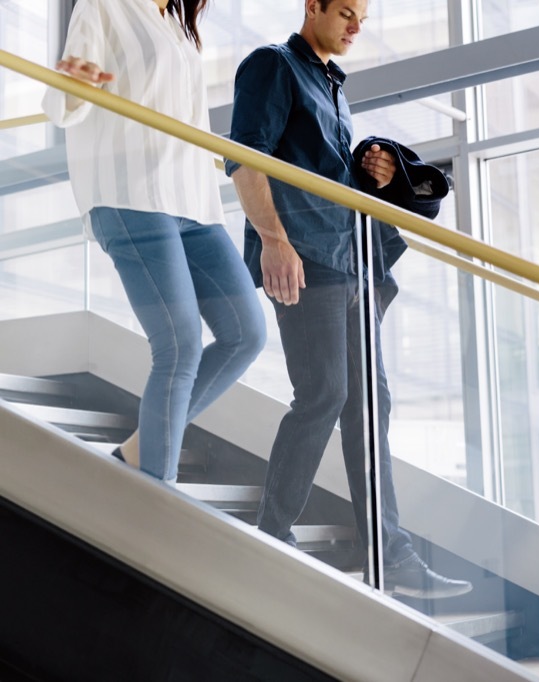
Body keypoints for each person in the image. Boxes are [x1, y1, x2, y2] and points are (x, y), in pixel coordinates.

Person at [226, 0, 471, 599]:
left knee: (370, 407)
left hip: (350, 262)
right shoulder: (273, 66)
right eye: (344, 12)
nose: (356, 26)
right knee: (325, 394)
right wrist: (273, 242)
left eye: (363, 16)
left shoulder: (333, 87)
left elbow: (330, 177)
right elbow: (245, 159)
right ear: (312, 7)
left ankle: (392, 557)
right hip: (305, 260)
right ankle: (272, 534)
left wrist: (373, 169)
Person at [41, 0, 266, 484]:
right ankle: (154, 503)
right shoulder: (104, 5)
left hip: (192, 201)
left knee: (246, 333)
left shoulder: (178, 25)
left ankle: (140, 452)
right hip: (130, 193)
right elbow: (63, 102)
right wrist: (74, 84)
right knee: (180, 346)